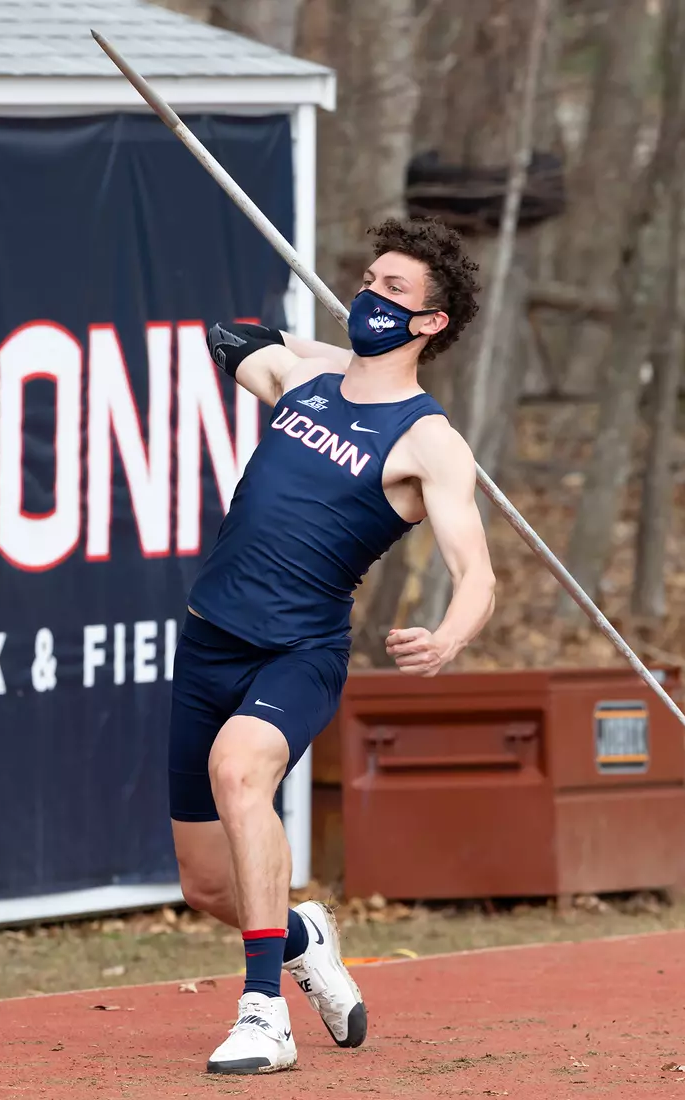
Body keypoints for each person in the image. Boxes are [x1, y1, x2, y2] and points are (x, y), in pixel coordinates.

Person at [170, 217, 494, 1074]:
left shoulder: (430, 442)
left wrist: (448, 637)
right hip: (207, 639)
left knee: (241, 773)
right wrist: (330, 354)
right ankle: (302, 932)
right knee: (207, 885)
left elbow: (479, 576)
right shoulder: (300, 381)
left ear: (431, 324)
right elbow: (231, 335)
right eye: (367, 281)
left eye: (394, 291)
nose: (369, 296)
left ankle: (263, 1016)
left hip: (298, 649)